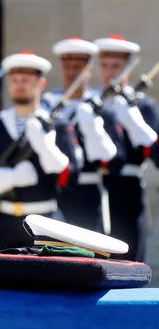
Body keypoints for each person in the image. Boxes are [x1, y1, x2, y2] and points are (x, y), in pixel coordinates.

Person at [0, 52, 78, 251]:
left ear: (41, 83)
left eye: (26, 80)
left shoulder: (57, 126)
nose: (19, 85)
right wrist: (5, 177)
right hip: (4, 223)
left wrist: (47, 149)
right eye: (15, 80)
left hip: (46, 222)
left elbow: (71, 177)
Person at [43, 38, 119, 233]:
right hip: (54, 189)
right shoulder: (47, 105)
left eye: (77, 67)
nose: (71, 73)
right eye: (67, 67)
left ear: (88, 70)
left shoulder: (100, 108)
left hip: (88, 191)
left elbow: (116, 159)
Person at [94, 35, 158, 261]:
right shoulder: (91, 105)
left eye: (116, 66)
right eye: (104, 65)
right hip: (93, 195)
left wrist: (136, 124)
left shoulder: (142, 106)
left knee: (130, 263)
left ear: (128, 68)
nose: (109, 72)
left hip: (128, 195)